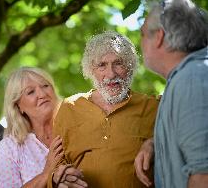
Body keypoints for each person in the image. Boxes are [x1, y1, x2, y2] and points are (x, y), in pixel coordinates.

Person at [48, 31, 159, 188]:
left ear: (130, 66)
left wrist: (153, 143)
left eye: (118, 63)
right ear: (91, 70)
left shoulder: (153, 106)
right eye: (102, 65)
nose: (111, 74)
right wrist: (61, 176)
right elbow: (57, 163)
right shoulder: (69, 108)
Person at [135, 0, 208, 187]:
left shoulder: (191, 79)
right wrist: (154, 144)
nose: (140, 43)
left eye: (142, 34)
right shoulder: (186, 77)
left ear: (159, 36)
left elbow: (204, 174)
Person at [0, 67, 64, 188]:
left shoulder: (76, 126)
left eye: (45, 86)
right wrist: (47, 173)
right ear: (18, 106)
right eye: (31, 92)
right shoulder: (10, 148)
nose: (42, 94)